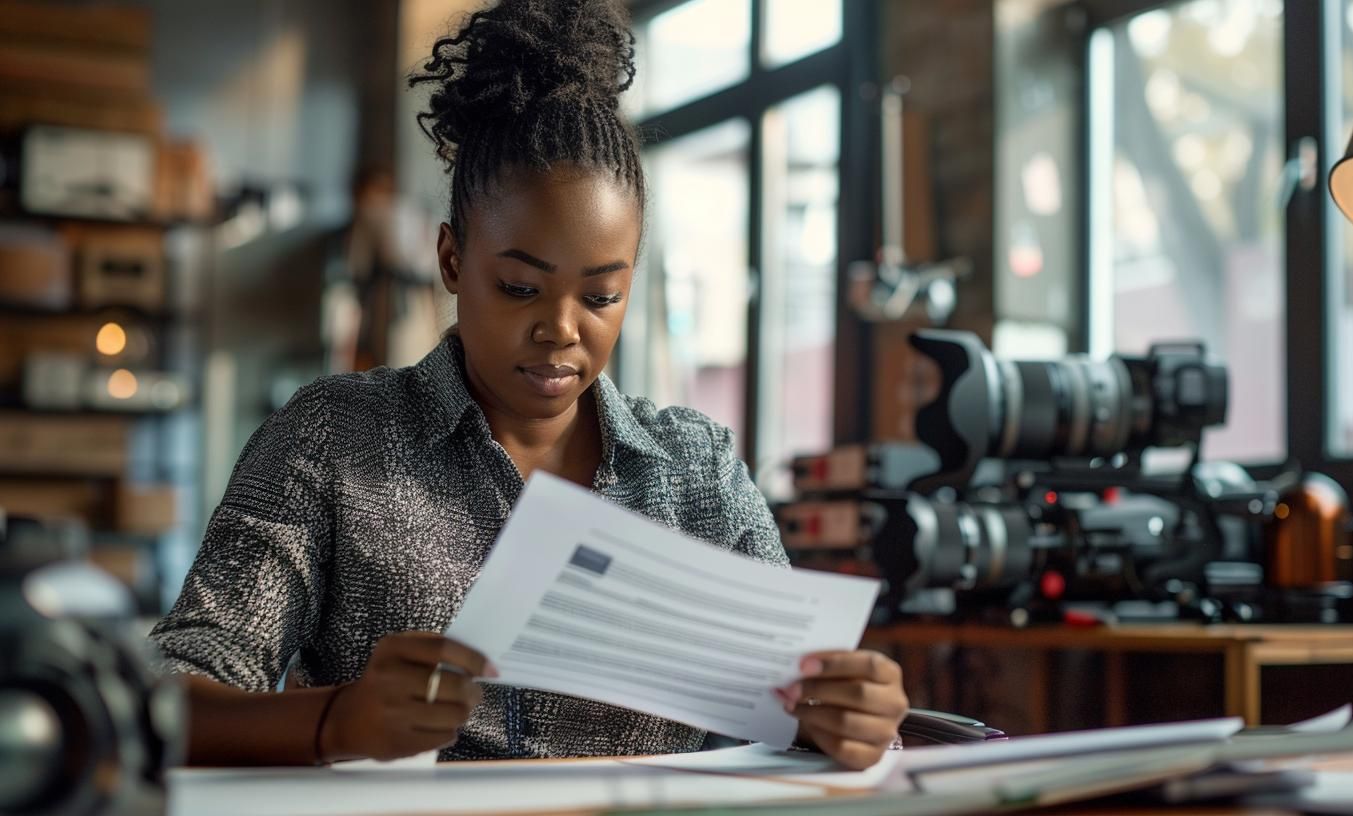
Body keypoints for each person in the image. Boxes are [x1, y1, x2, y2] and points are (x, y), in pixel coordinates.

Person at [149, 0, 909, 771]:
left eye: (602, 296)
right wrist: (334, 721)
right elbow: (163, 699)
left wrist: (844, 716)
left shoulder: (696, 472)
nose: (562, 329)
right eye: (519, 288)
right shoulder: (336, 440)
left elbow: (799, 702)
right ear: (452, 261)